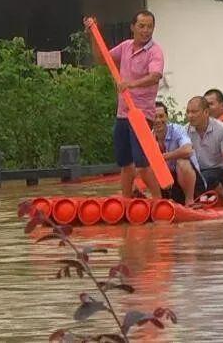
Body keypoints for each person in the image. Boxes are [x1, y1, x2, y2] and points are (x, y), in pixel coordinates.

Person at [85, 11, 164, 200]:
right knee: (125, 163)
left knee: (142, 165)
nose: (146, 31)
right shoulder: (126, 47)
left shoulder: (155, 51)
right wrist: (93, 35)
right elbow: (102, 59)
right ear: (133, 27)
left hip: (142, 114)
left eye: (149, 27)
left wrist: (131, 84)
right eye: (141, 26)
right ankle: (127, 201)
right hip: (122, 114)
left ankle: (159, 200)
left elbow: (155, 77)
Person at [184, 96, 223, 207]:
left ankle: (221, 192)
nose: (190, 115)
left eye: (194, 112)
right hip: (199, 172)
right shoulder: (185, 130)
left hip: (219, 170)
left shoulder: (222, 129)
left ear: (206, 112)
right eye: (188, 112)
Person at [153, 101, 204, 207]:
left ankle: (190, 201)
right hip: (169, 183)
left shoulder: (177, 129)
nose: (158, 120)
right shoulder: (149, 136)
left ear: (166, 117)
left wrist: (163, 157)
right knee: (146, 167)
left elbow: (187, 150)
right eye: (154, 117)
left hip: (192, 183)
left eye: (161, 116)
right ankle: (160, 200)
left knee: (182, 162)